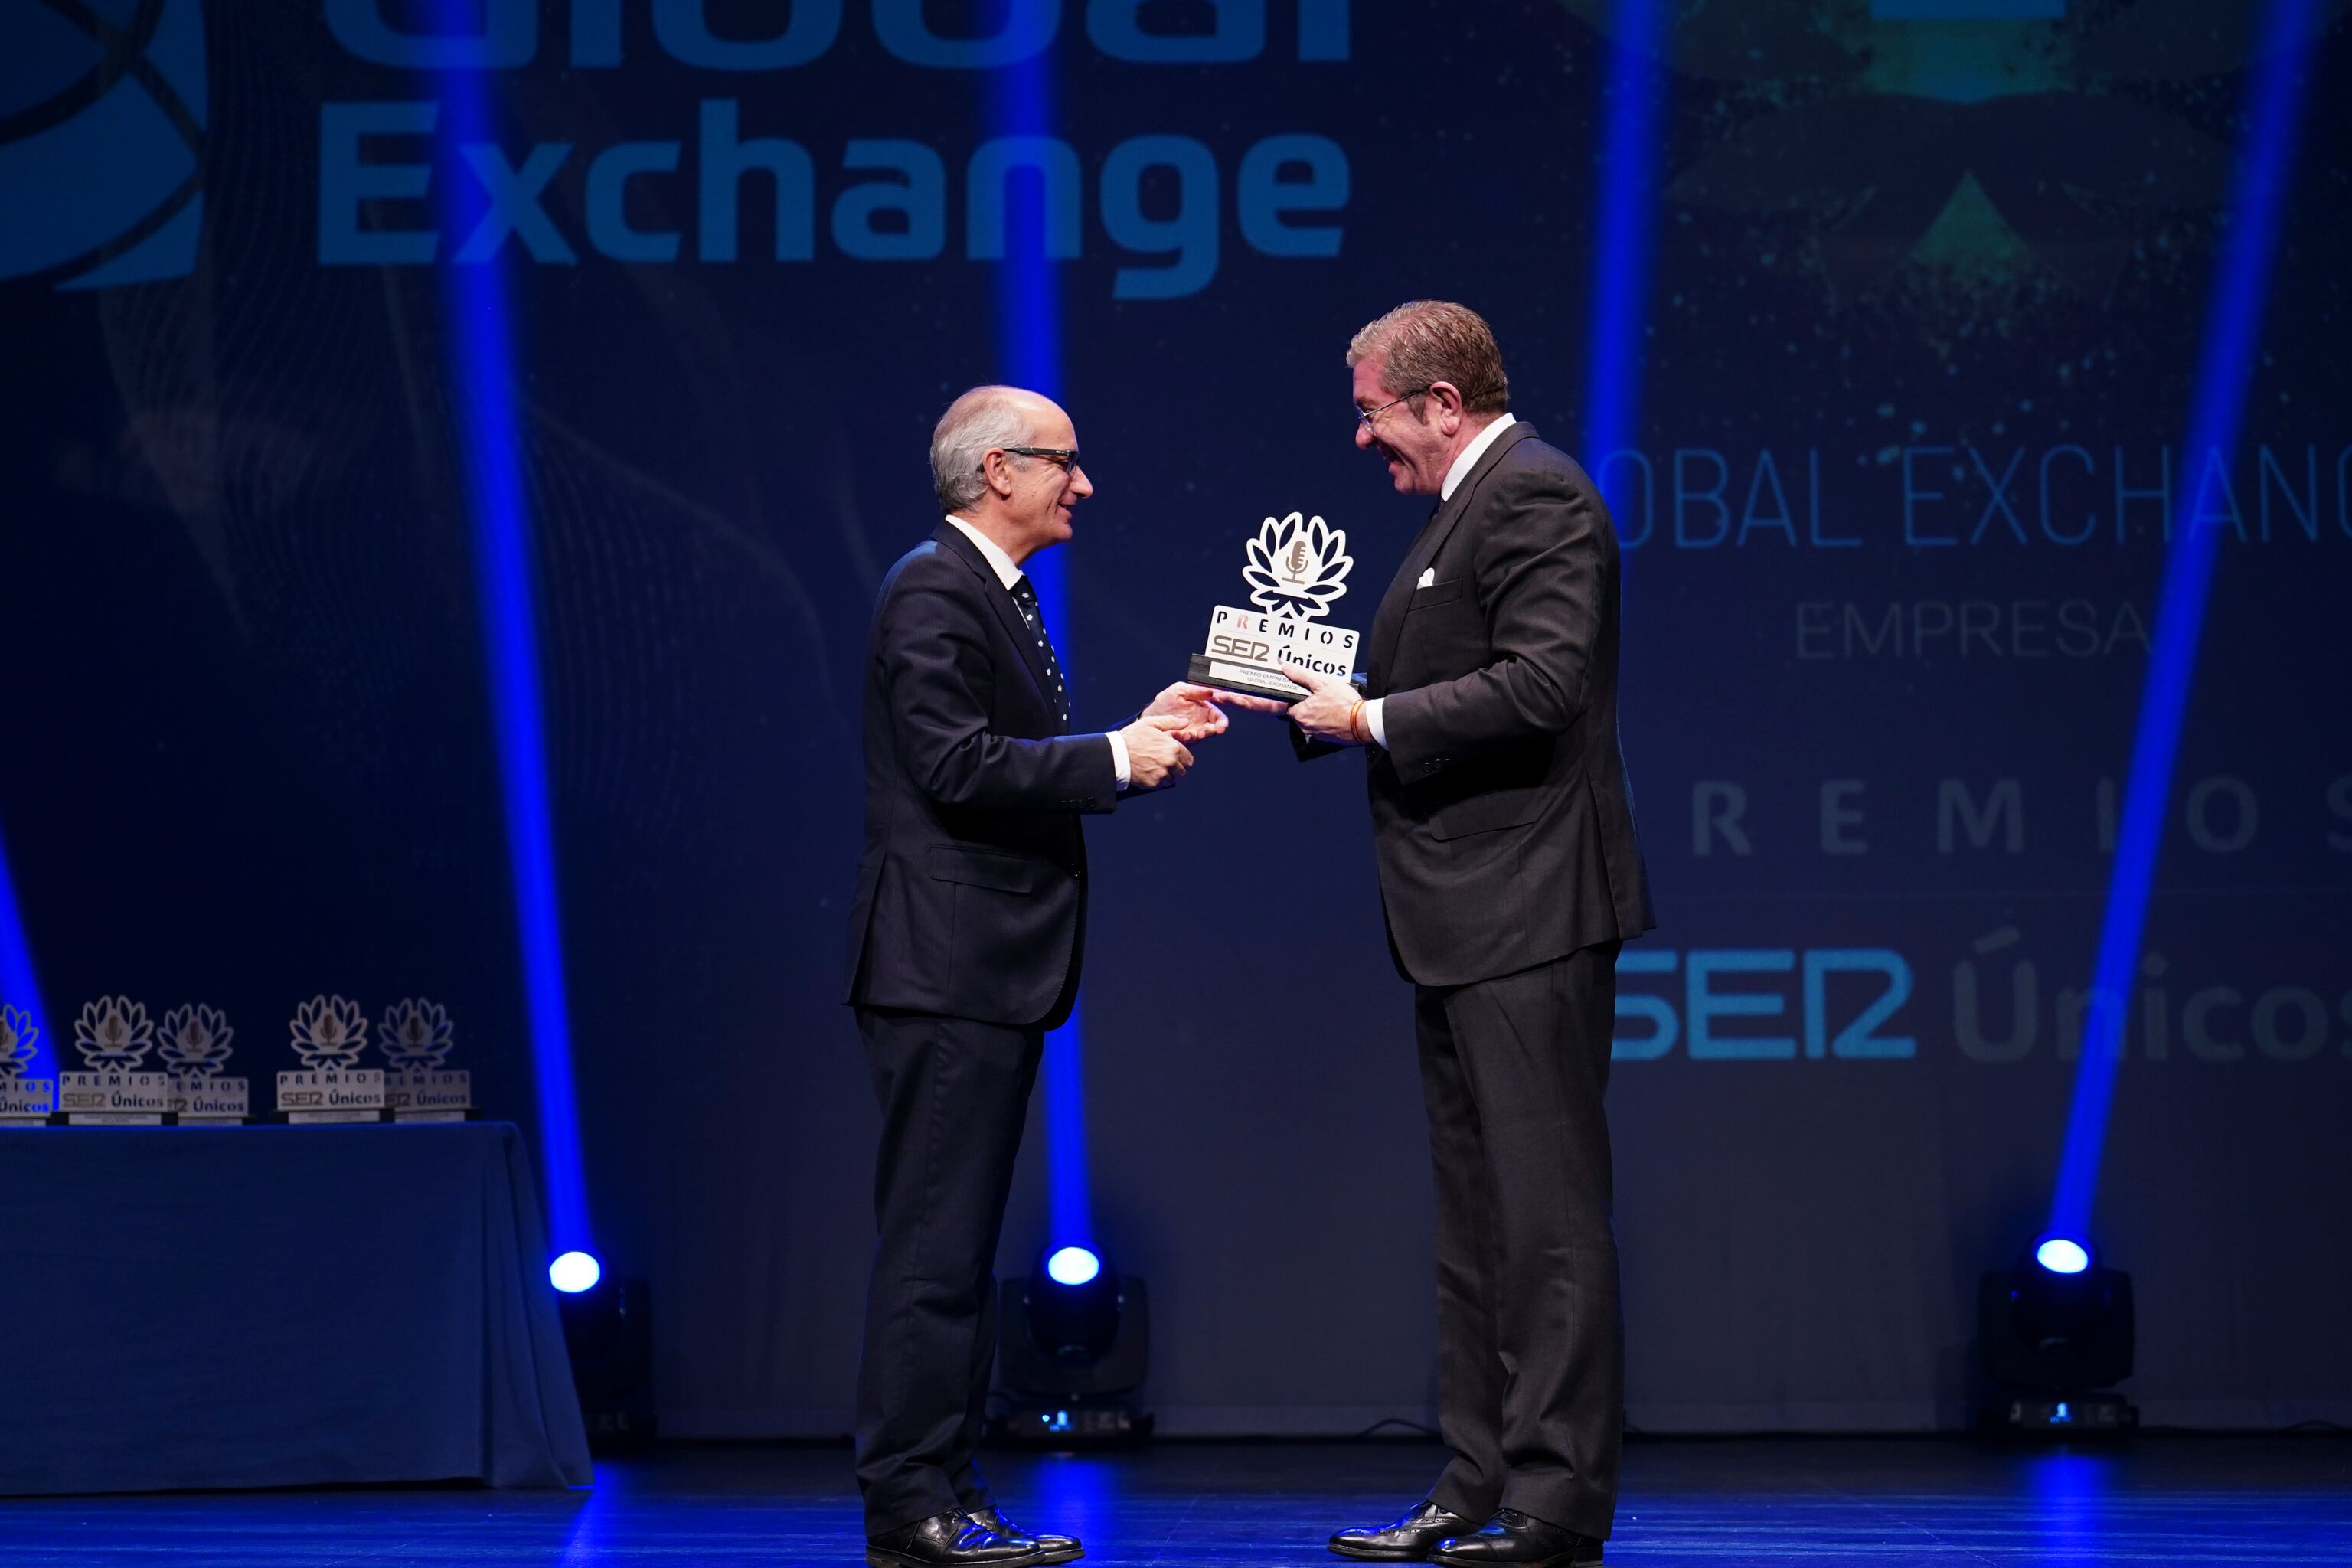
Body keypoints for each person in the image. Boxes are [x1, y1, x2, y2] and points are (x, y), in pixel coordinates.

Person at [1276, 302, 1655, 1567]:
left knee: (1544, 1224)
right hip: (1457, 917)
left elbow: (1545, 683)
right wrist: (1306, 695)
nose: (1363, 437)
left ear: (1444, 405)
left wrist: (1369, 722)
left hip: (1530, 909)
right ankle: (1473, 1480)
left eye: (1375, 409)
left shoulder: (1538, 498)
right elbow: (1434, 675)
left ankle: (1552, 1503)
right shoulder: (1458, 514)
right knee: (1478, 1225)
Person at [843, 385, 1234, 1568]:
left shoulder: (983, 593)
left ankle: (945, 1497)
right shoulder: (931, 587)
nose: (1085, 484)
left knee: (955, 1248)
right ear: (998, 472)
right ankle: (914, 1507)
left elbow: (1001, 751)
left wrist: (1132, 730)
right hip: (947, 968)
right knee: (934, 1251)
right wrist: (1115, 755)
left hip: (981, 972)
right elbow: (955, 766)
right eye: (1067, 462)